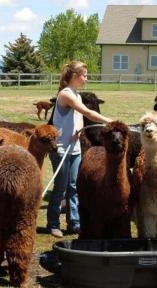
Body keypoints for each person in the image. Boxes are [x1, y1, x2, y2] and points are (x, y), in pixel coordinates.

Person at [46, 61, 113, 238]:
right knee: (60, 187)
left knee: (74, 186)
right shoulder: (66, 94)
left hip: (74, 148)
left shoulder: (76, 94)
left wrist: (79, 130)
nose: (86, 78)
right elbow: (87, 113)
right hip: (61, 148)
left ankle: (74, 222)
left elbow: (80, 119)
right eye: (84, 75)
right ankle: (53, 223)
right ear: (75, 76)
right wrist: (109, 121)